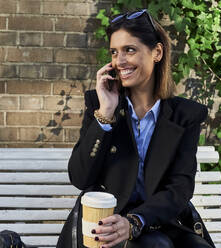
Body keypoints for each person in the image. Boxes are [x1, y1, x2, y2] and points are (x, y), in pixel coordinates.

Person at [57, 9, 212, 248]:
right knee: (155, 246)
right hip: (107, 222)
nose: (119, 61)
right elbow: (80, 177)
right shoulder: (99, 104)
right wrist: (105, 114)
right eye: (114, 52)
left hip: (161, 220)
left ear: (157, 52)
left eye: (129, 50)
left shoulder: (185, 116)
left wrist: (135, 221)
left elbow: (180, 188)